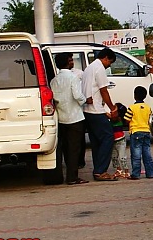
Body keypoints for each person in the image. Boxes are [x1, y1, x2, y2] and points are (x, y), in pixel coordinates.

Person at [81, 47, 120, 181]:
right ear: (106, 58)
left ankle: (98, 169)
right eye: (110, 62)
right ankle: (100, 170)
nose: (109, 66)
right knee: (108, 137)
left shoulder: (89, 68)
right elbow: (104, 91)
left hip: (87, 110)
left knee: (96, 141)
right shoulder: (99, 68)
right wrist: (112, 108)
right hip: (96, 110)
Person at [50, 52, 88, 185]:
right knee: (74, 149)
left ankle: (64, 174)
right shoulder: (73, 77)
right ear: (68, 62)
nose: (72, 62)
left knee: (65, 148)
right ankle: (72, 177)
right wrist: (85, 100)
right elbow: (77, 95)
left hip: (61, 118)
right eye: (71, 60)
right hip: (75, 117)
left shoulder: (54, 80)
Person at [124, 86, 153, 180]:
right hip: (146, 131)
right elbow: (149, 119)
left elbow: (126, 119)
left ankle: (136, 174)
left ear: (134, 96)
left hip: (136, 132)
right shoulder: (148, 108)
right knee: (147, 153)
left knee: (136, 154)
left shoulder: (132, 108)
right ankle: (150, 173)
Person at [109, 103, 130, 179]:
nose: (111, 111)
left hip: (120, 140)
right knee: (114, 157)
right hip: (114, 141)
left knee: (122, 157)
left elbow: (110, 116)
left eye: (114, 109)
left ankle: (126, 171)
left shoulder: (118, 119)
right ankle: (118, 170)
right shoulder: (112, 118)